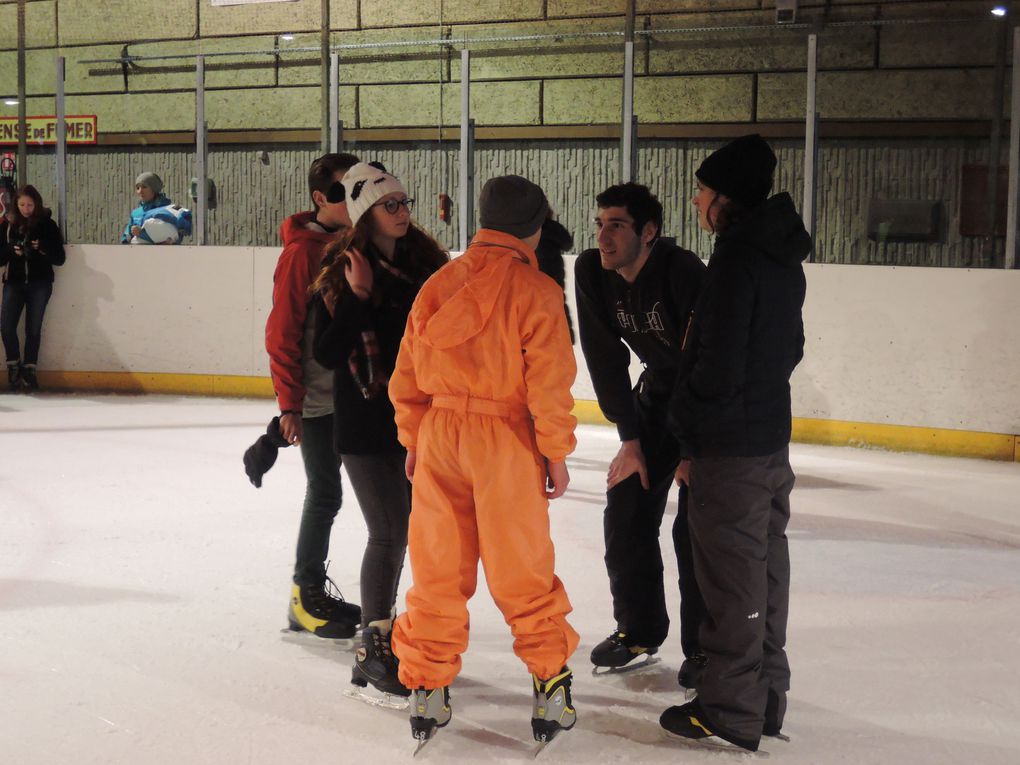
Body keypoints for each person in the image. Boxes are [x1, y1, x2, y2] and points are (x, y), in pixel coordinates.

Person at [388, 175, 579, 746]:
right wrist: (555, 453)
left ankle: (428, 688)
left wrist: (416, 440)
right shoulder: (537, 290)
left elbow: (406, 376)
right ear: (536, 227)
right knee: (522, 566)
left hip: (442, 433)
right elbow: (550, 382)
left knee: (438, 565)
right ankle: (550, 687)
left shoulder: (437, 285)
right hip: (505, 441)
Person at [659, 134, 810, 753]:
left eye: (702, 189)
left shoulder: (735, 261)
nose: (696, 200)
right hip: (770, 438)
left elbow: (715, 366)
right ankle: (765, 698)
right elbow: (789, 348)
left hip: (732, 450)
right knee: (765, 570)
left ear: (727, 197)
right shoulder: (779, 257)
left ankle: (729, 707)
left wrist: (684, 423)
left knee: (732, 580)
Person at [309, 162, 447, 698]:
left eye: (405, 203)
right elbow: (325, 351)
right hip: (365, 423)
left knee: (408, 534)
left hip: (419, 419)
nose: (403, 212)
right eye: (391, 205)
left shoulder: (427, 265)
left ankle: (390, 636)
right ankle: (373, 644)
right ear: (366, 213)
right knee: (388, 532)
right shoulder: (344, 268)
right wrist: (360, 297)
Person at [574, 182, 707, 682]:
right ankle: (639, 629)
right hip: (654, 398)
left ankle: (703, 651)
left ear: (649, 232)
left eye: (617, 226)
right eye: (599, 224)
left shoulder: (683, 272)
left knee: (693, 529)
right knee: (627, 505)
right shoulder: (593, 271)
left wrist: (692, 451)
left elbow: (705, 364)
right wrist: (630, 441)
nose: (603, 237)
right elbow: (605, 359)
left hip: (705, 404)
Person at [265, 152, 363, 639]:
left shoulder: (363, 241)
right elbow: (281, 332)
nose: (358, 199)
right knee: (325, 493)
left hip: (357, 395)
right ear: (321, 199)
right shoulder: (302, 253)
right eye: (347, 190)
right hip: (320, 399)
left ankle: (313, 593)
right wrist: (290, 404)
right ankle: (305, 596)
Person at [1, 185, 65, 392]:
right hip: (14, 282)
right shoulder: (7, 225)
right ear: (15, 205)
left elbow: (60, 258)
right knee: (6, 326)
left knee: (33, 329)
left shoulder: (47, 224)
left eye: (30, 204)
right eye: (21, 204)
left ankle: (30, 369)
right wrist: (11, 250)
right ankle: (13, 364)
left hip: (40, 283)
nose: (26, 209)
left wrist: (42, 247)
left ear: (36, 204)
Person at [534, 212, 576, 343]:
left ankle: (541, 339)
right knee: (558, 302)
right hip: (554, 272)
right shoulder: (554, 228)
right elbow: (568, 244)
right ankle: (565, 337)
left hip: (535, 273)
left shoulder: (530, 230)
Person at [121, 172, 172, 243]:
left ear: (154, 189)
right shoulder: (136, 213)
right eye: (138, 187)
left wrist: (142, 234)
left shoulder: (166, 211)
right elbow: (125, 238)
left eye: (144, 187)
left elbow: (170, 239)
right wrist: (127, 239)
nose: (140, 191)